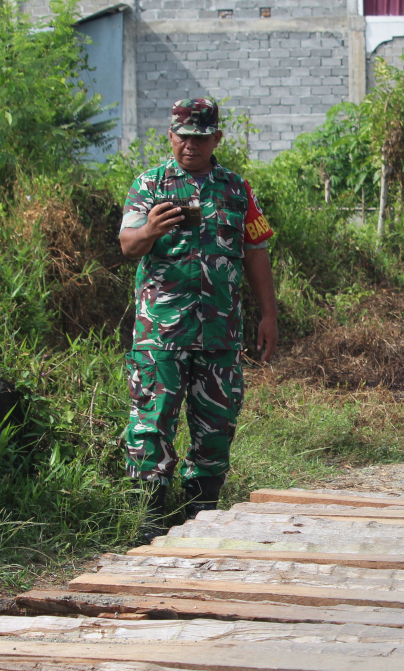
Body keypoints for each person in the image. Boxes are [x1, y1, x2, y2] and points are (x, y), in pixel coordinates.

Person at [118, 98, 279, 541]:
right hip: (161, 332)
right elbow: (128, 246)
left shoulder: (236, 189)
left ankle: (199, 517)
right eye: (183, 136)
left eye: (201, 137)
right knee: (152, 422)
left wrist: (269, 314)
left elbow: (256, 251)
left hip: (219, 332)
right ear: (170, 136)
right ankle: (148, 520)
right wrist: (149, 230)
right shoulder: (148, 186)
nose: (191, 145)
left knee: (216, 427)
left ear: (217, 139)